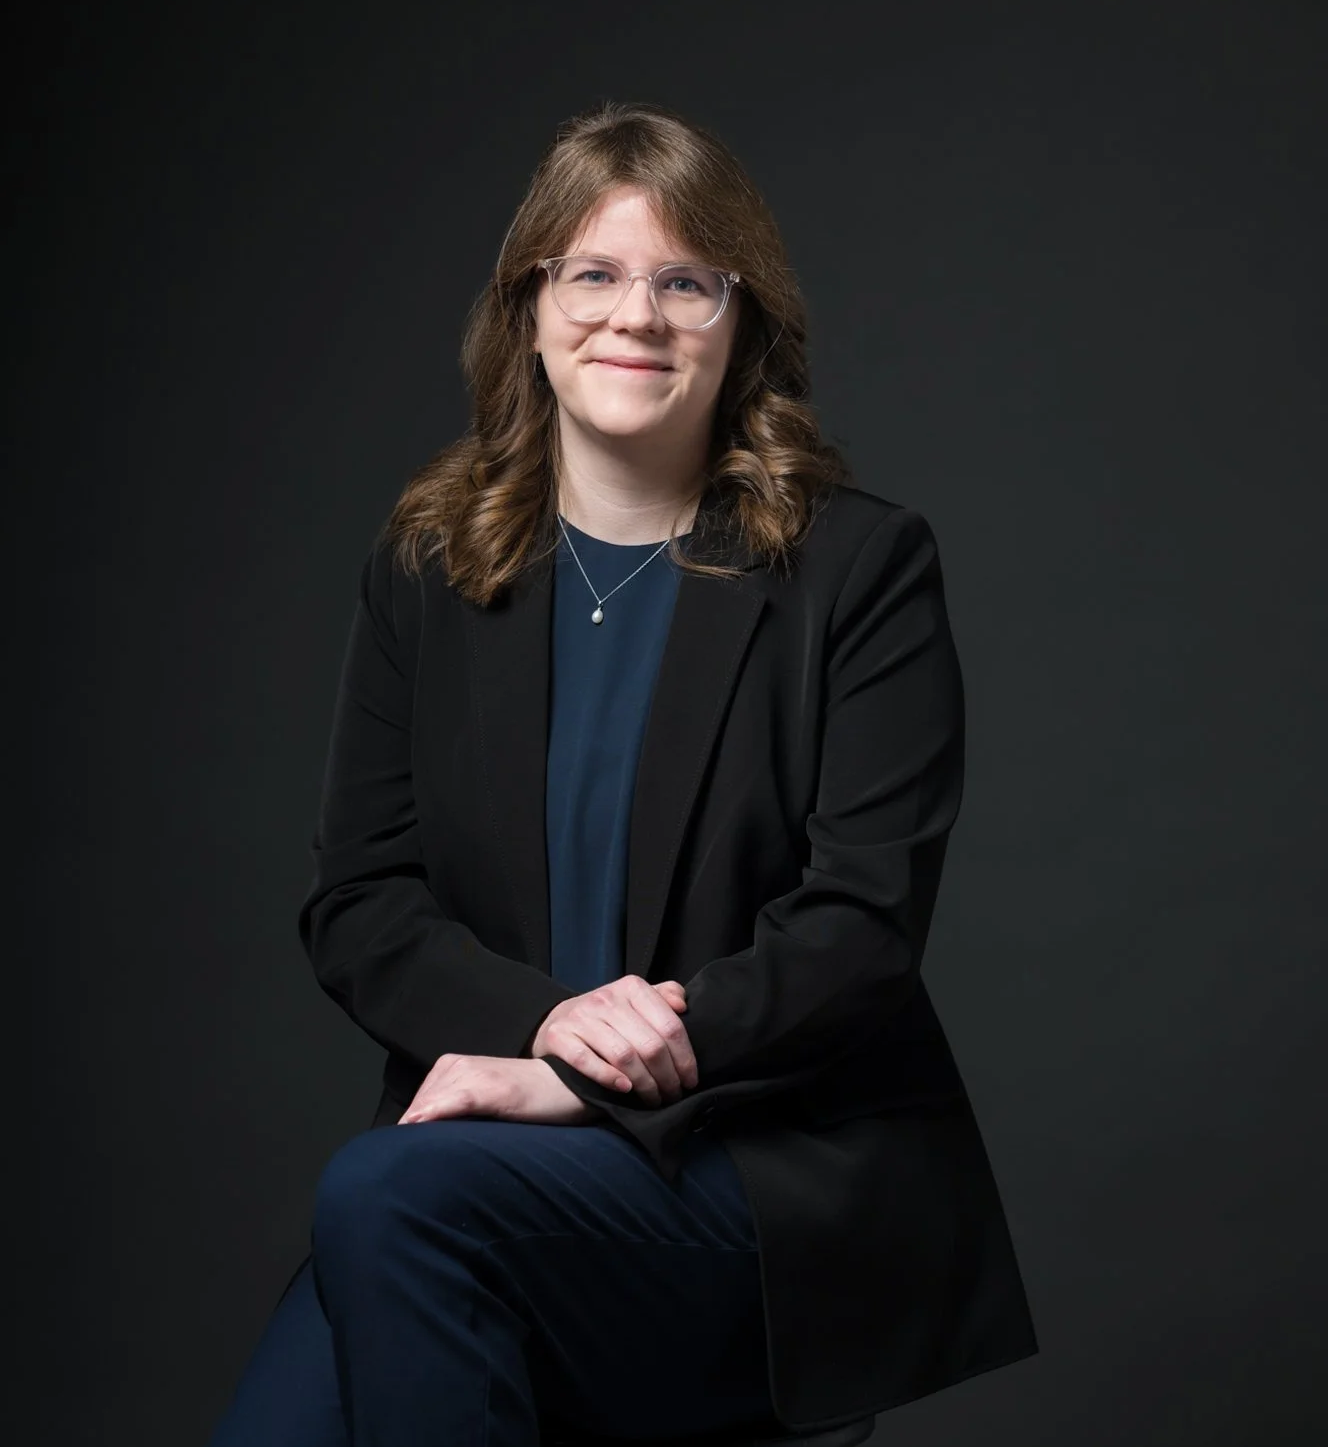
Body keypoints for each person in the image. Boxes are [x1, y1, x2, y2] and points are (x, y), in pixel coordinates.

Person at [208, 101, 1038, 1445]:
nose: (633, 317)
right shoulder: (426, 567)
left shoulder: (859, 569)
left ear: (741, 323)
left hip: (755, 1172)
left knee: (381, 1196)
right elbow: (360, 900)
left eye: (685, 282)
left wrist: (584, 1081)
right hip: (479, 1174)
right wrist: (540, 1026)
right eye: (591, 273)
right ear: (529, 309)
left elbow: (860, 929)